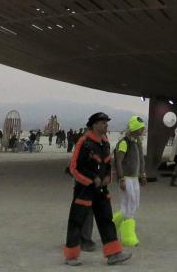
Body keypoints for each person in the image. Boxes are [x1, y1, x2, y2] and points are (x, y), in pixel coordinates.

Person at [63, 112, 131, 266]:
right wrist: (92, 179)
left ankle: (114, 253)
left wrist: (108, 177)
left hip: (101, 191)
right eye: (102, 123)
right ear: (94, 125)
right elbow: (74, 167)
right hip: (84, 190)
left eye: (106, 123)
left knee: (107, 220)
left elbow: (107, 164)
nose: (106, 125)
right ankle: (71, 256)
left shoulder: (105, 143)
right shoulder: (84, 142)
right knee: (76, 221)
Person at [113, 116, 147, 247]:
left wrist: (143, 174)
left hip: (134, 179)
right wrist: (121, 178)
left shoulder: (137, 142)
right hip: (126, 178)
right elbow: (118, 161)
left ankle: (112, 226)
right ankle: (127, 237)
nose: (143, 130)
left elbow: (141, 160)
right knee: (127, 206)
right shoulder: (124, 142)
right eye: (140, 128)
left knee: (133, 204)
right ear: (134, 128)